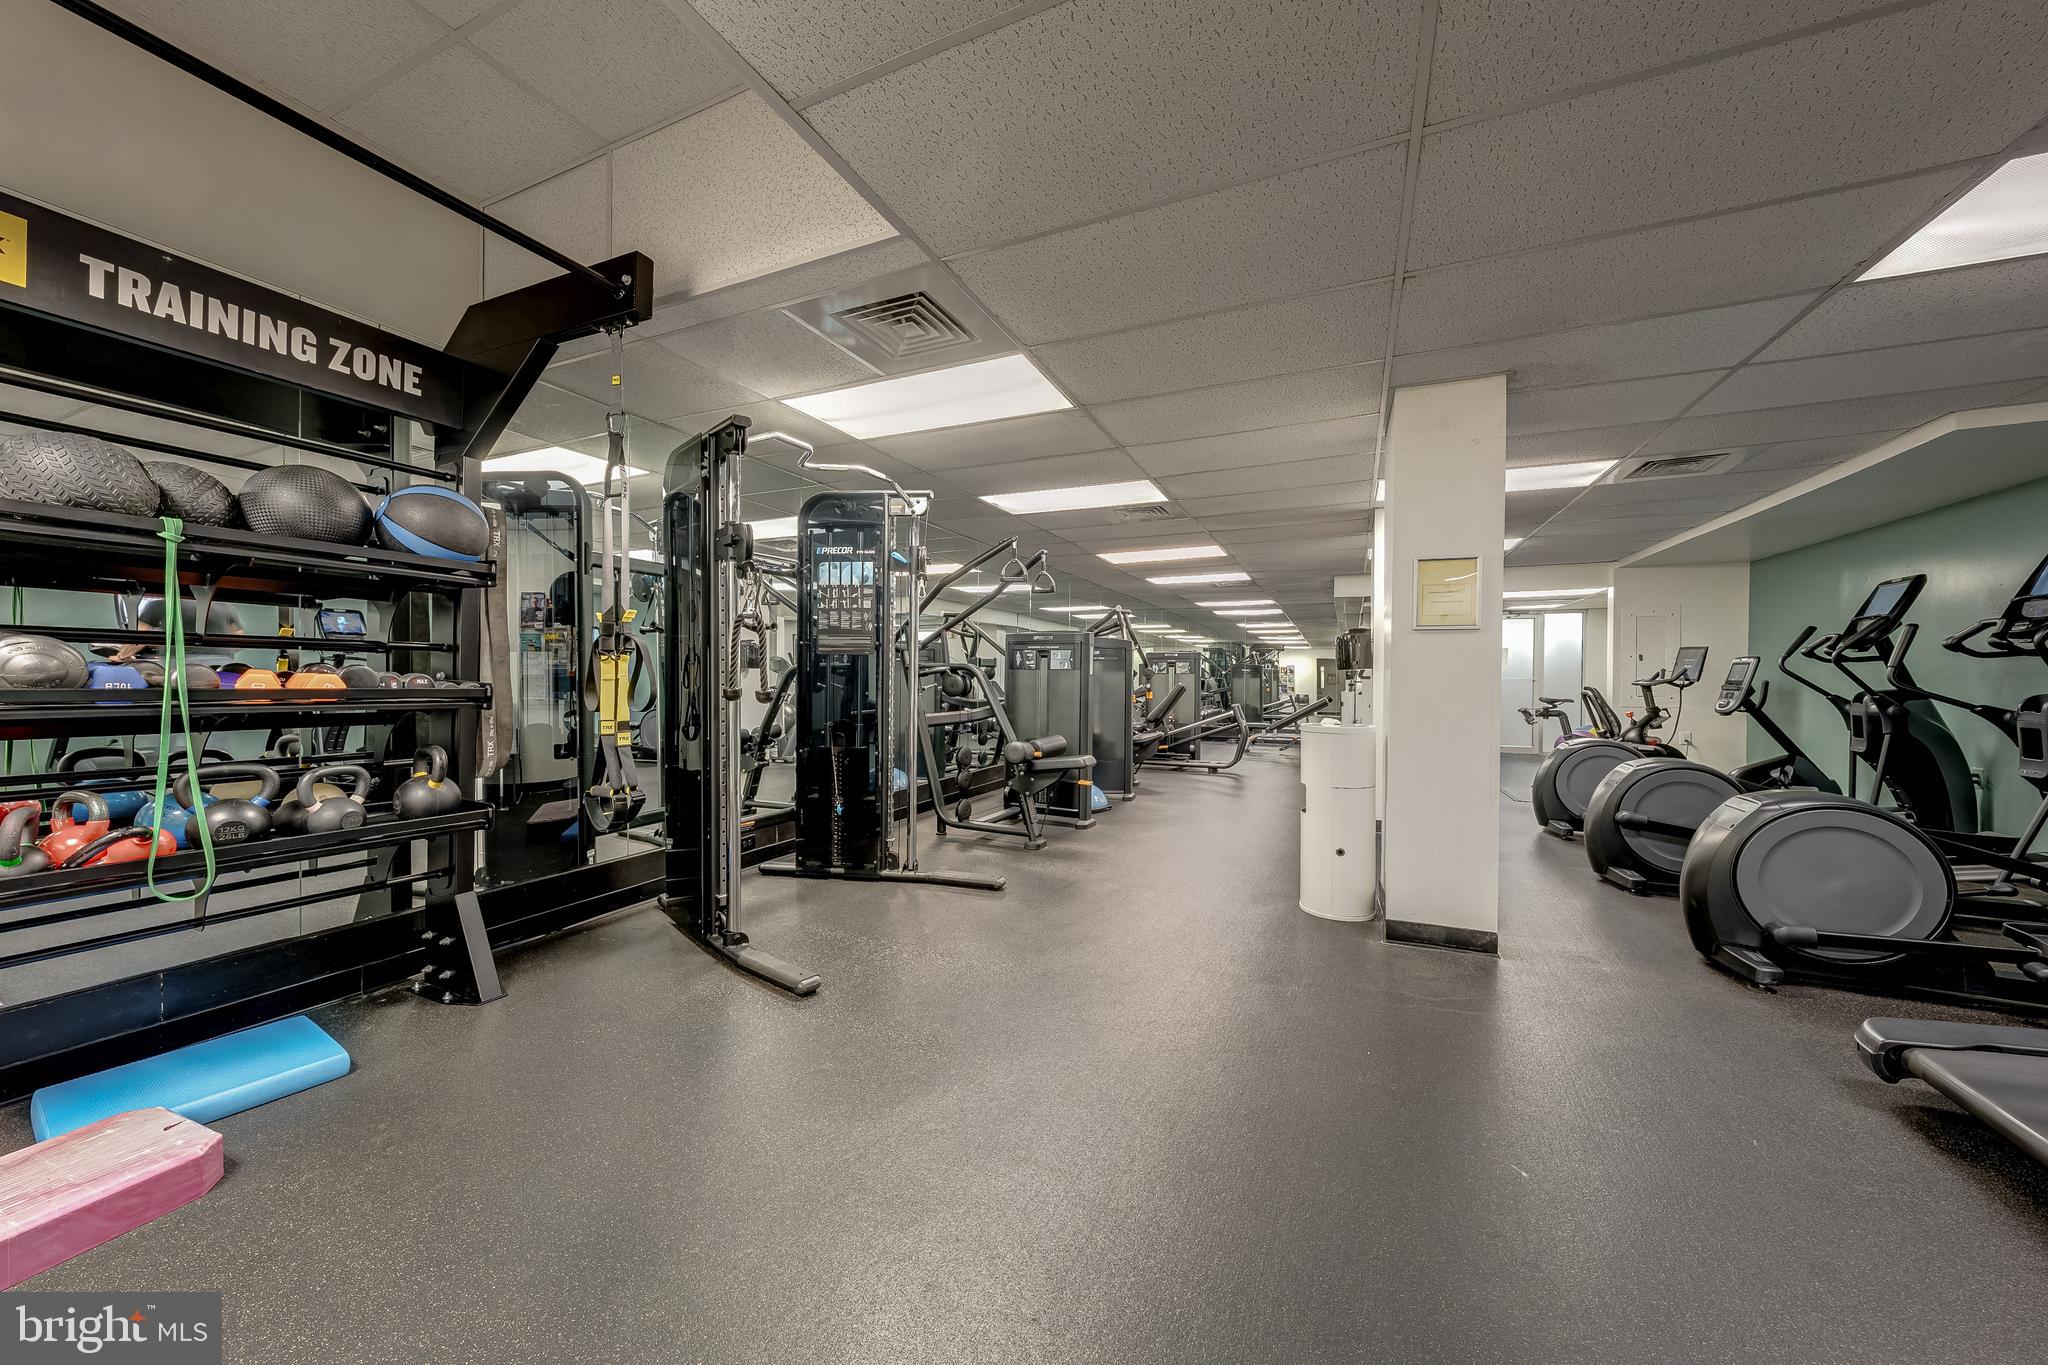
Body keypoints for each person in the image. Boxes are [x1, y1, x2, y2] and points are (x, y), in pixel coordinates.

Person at [109, 597, 246, 668]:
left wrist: (121, 657)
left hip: (179, 669)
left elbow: (139, 638)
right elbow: (239, 641)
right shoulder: (226, 606)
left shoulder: (160, 604)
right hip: (221, 668)